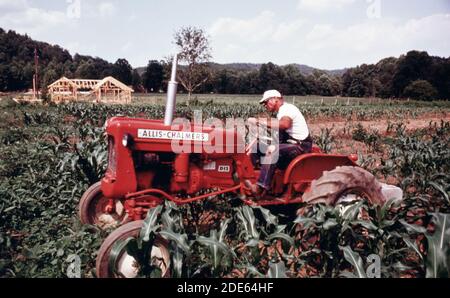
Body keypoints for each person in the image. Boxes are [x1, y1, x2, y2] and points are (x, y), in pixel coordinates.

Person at [245, 90, 312, 197]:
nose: (265, 106)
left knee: (272, 150)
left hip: (300, 146)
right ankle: (249, 178)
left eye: (266, 102)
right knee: (256, 147)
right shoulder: (282, 111)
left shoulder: (287, 108)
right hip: (290, 144)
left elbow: (285, 124)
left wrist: (259, 121)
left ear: (275, 99)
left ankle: (260, 187)